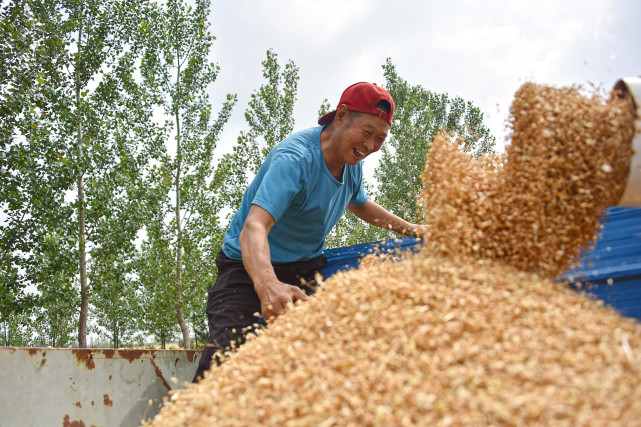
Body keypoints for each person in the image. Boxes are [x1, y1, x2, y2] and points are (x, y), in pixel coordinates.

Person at [192, 82, 425, 382]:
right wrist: (267, 286)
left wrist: (411, 229)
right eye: (366, 133)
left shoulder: (351, 159)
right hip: (248, 269)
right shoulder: (295, 159)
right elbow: (254, 227)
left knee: (319, 363)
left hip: (305, 267)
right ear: (341, 115)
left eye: (380, 139)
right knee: (226, 359)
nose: (370, 146)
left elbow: (361, 203)